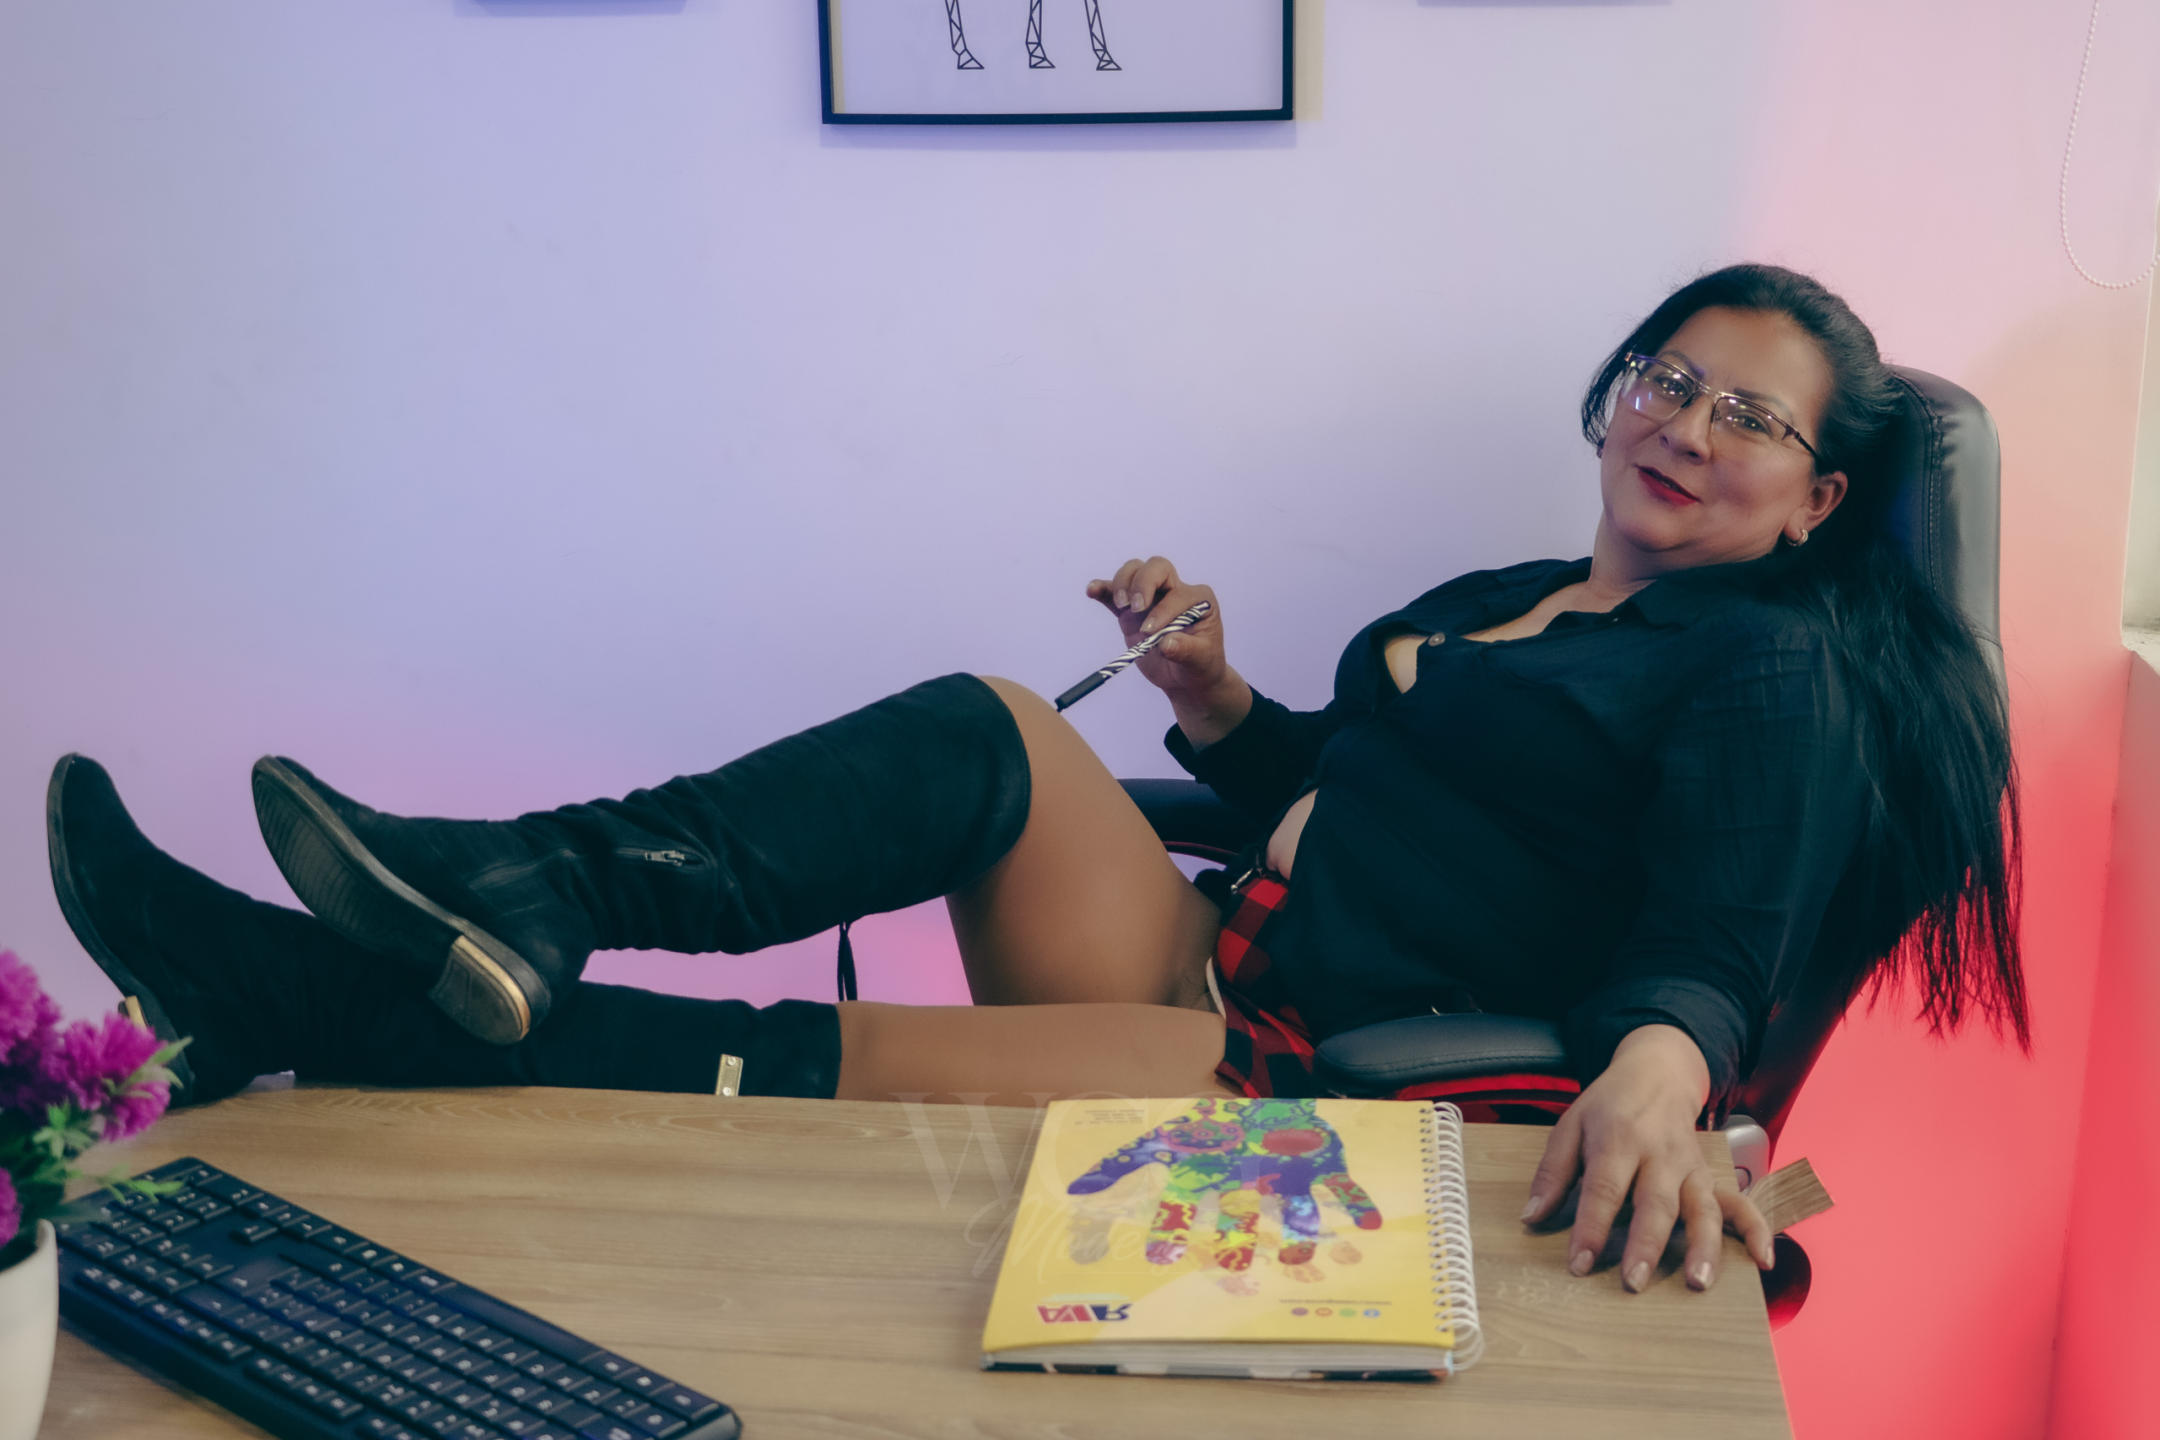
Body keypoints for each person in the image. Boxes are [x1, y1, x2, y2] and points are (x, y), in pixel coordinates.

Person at [46, 263, 2028, 1303]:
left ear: (1818, 500)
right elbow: (1342, 792)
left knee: (788, 1062)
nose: (1687, 425)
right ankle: (529, 881)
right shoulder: (1509, 597)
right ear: (1615, 395)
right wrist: (1215, 696)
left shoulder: (1771, 666)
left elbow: (1723, 935)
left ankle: (290, 995)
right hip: (1231, 940)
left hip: (1330, 1067)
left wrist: (1670, 1080)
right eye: (1669, 378)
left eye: (1749, 416)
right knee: (992, 720)